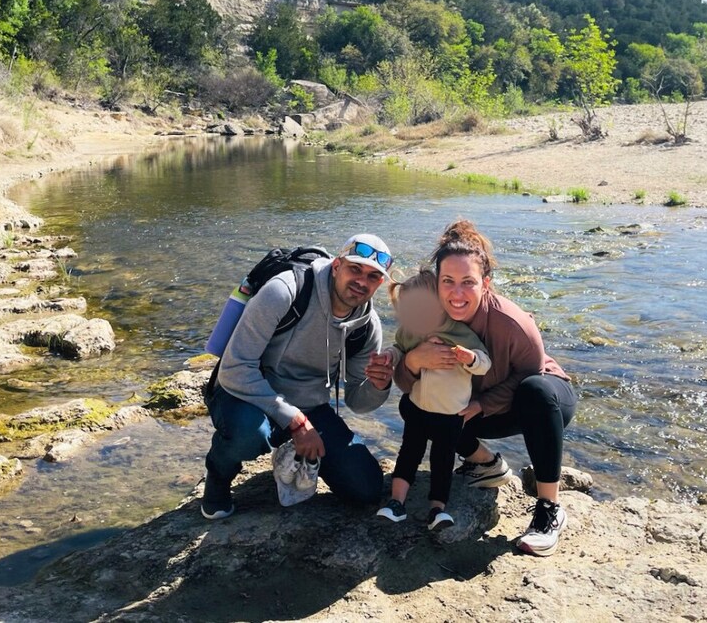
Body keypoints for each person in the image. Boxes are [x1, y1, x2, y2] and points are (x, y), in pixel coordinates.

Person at [393, 220, 577, 556]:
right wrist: (412, 362)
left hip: (541, 399)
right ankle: (487, 463)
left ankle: (550, 508)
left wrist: (482, 405)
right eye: (448, 282)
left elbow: (530, 374)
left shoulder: (513, 322)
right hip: (472, 403)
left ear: (486, 284)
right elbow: (406, 386)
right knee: (413, 408)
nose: (457, 294)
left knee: (536, 392)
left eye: (468, 283)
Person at [201, 234, 397, 519]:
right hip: (246, 395)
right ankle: (218, 476)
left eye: (372, 276)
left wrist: (380, 386)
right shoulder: (285, 291)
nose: (361, 282)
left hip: (310, 405)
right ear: (336, 266)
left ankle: (286, 445)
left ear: (380, 283)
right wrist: (295, 421)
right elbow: (234, 368)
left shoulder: (367, 326)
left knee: (366, 489)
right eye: (355, 269)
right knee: (248, 434)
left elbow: (358, 401)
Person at [374, 268, 492, 531]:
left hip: (451, 414)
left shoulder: (461, 334)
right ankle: (396, 503)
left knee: (443, 460)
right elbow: (398, 348)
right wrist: (390, 357)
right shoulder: (410, 331)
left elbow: (485, 363)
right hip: (417, 408)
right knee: (408, 453)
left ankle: (437, 509)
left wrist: (470, 359)